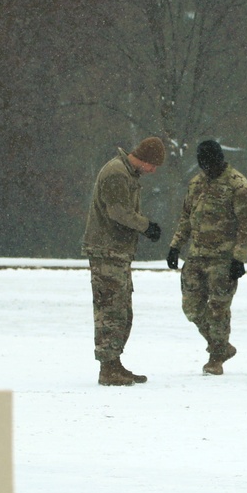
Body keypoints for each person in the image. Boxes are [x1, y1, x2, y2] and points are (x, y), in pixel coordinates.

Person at [166, 140, 247, 375]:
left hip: (223, 258)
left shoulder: (238, 185)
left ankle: (216, 356)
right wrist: (175, 246)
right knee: (191, 308)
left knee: (218, 309)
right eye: (204, 164)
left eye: (211, 163)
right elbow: (186, 217)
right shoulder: (196, 182)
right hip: (196, 255)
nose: (208, 168)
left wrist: (239, 258)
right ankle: (222, 346)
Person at [81, 136, 165, 386]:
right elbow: (117, 212)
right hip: (107, 251)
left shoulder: (127, 174)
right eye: (154, 165)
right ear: (145, 159)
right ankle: (107, 368)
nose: (153, 171)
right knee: (110, 309)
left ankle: (114, 363)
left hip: (117, 252)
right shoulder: (117, 173)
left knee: (122, 310)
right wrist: (146, 226)